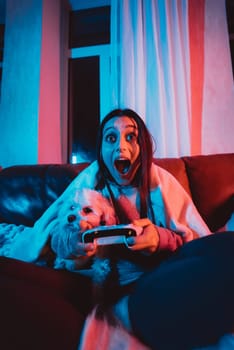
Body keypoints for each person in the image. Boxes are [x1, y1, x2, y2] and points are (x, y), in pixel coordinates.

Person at [0, 108, 233, 350]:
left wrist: (159, 238)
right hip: (83, 282)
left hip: (145, 286)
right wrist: (73, 245)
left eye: (130, 137)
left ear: (143, 146)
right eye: (111, 138)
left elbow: (193, 242)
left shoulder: (162, 184)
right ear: (101, 149)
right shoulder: (88, 182)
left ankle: (117, 323)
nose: (121, 147)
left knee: (226, 247)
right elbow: (51, 231)